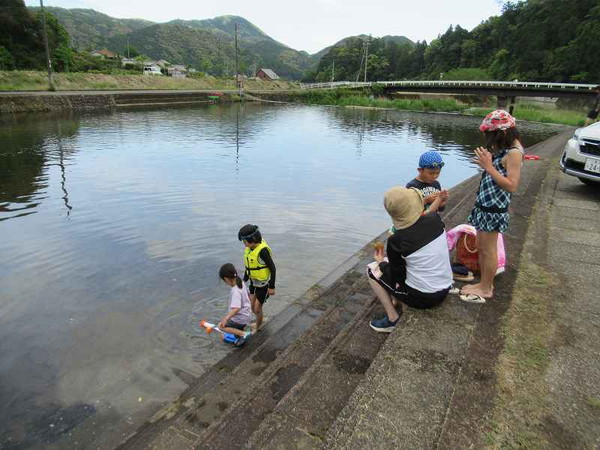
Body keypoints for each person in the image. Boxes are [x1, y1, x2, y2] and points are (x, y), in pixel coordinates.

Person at [368, 186, 453, 333]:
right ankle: (396, 301)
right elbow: (424, 217)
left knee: (371, 270)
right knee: (406, 263)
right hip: (445, 288)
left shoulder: (397, 240)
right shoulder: (435, 219)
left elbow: (398, 278)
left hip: (423, 299)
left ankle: (392, 319)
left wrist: (381, 263)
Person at [460, 110, 524, 303]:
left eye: (492, 136)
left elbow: (512, 185)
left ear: (503, 133)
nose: (491, 142)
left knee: (489, 250)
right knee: (480, 246)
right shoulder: (508, 149)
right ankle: (483, 283)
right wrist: (487, 164)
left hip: (493, 210)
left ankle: (486, 288)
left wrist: (488, 167)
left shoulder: (514, 153)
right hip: (485, 206)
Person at [238, 224, 276, 332]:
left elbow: (273, 268)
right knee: (252, 307)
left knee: (257, 308)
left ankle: (258, 326)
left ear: (252, 239)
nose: (244, 244)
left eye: (245, 241)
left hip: (264, 285)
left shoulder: (263, 251)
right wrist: (243, 280)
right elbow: (249, 267)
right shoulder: (250, 249)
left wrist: (272, 287)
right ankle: (261, 319)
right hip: (253, 283)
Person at [218, 263, 252, 346]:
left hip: (240, 318)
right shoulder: (241, 281)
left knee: (221, 326)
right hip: (247, 314)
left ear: (226, 278)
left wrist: (226, 318)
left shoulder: (235, 291)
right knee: (235, 326)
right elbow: (249, 295)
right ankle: (244, 328)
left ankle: (243, 334)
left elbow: (236, 308)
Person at [406, 150, 449, 215]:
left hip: (433, 222)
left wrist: (442, 202)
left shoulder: (436, 184)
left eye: (438, 173)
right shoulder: (412, 186)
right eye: (431, 173)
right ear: (420, 170)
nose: (435, 176)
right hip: (418, 223)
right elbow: (406, 209)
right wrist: (425, 200)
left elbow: (440, 209)